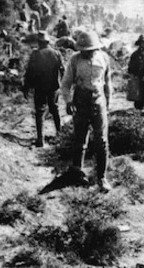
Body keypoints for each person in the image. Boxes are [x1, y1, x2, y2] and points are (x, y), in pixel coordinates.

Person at [60, 30, 113, 192]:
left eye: (88, 50)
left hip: (99, 102)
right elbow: (66, 83)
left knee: (101, 141)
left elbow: (108, 83)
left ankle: (102, 178)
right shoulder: (75, 60)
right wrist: (68, 101)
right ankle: (77, 173)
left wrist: (107, 104)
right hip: (80, 101)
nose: (86, 53)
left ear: (95, 48)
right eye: (83, 50)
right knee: (80, 138)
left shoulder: (104, 58)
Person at [23, 31, 65, 147]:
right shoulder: (56, 53)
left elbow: (29, 72)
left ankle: (40, 139)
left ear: (39, 42)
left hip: (40, 87)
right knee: (55, 109)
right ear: (48, 41)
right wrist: (64, 84)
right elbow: (62, 70)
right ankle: (60, 135)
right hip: (54, 87)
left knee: (40, 111)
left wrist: (26, 87)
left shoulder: (35, 54)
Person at [127, 35, 144, 110]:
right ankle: (138, 108)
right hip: (137, 76)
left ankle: (142, 107)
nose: (143, 44)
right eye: (142, 42)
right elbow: (131, 67)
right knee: (137, 95)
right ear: (139, 44)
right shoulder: (135, 54)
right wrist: (133, 75)